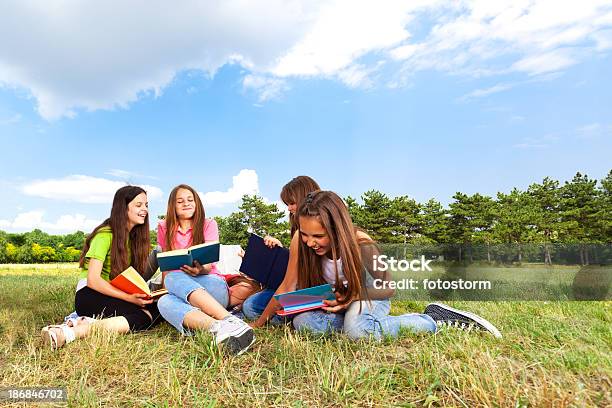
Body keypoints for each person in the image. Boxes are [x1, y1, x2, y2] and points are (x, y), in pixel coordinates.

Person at [250, 190, 502, 339]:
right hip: (337, 301)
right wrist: (258, 325)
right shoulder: (301, 242)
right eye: (305, 234)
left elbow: (387, 287)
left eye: (318, 236)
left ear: (337, 229)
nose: (309, 242)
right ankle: (355, 325)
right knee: (303, 323)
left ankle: (433, 319)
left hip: (368, 294)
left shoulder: (361, 243)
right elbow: (287, 286)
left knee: (359, 332)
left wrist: (350, 299)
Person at [41, 186, 164, 350]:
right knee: (143, 316)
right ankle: (68, 332)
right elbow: (93, 281)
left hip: (114, 293)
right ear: (123, 207)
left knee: (161, 308)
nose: (144, 210)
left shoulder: (133, 239)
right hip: (90, 294)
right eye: (138, 205)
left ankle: (86, 321)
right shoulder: (105, 235)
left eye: (146, 205)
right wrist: (129, 299)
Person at [156, 184, 254, 355]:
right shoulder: (164, 227)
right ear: (173, 206)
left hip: (212, 285)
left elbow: (209, 265)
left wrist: (200, 270)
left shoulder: (209, 224)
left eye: (190, 200)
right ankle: (219, 327)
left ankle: (228, 319)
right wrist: (165, 290)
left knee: (173, 278)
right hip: (181, 289)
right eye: (180, 201)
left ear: (197, 202)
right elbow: (166, 264)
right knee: (163, 302)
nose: (186, 204)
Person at [241, 176, 320, 321]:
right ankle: (286, 314)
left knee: (254, 308)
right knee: (250, 306)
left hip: (310, 291)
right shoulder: (296, 232)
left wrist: (259, 323)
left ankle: (290, 315)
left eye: (292, 203)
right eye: (287, 204)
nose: (289, 208)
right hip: (294, 286)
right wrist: (279, 251)